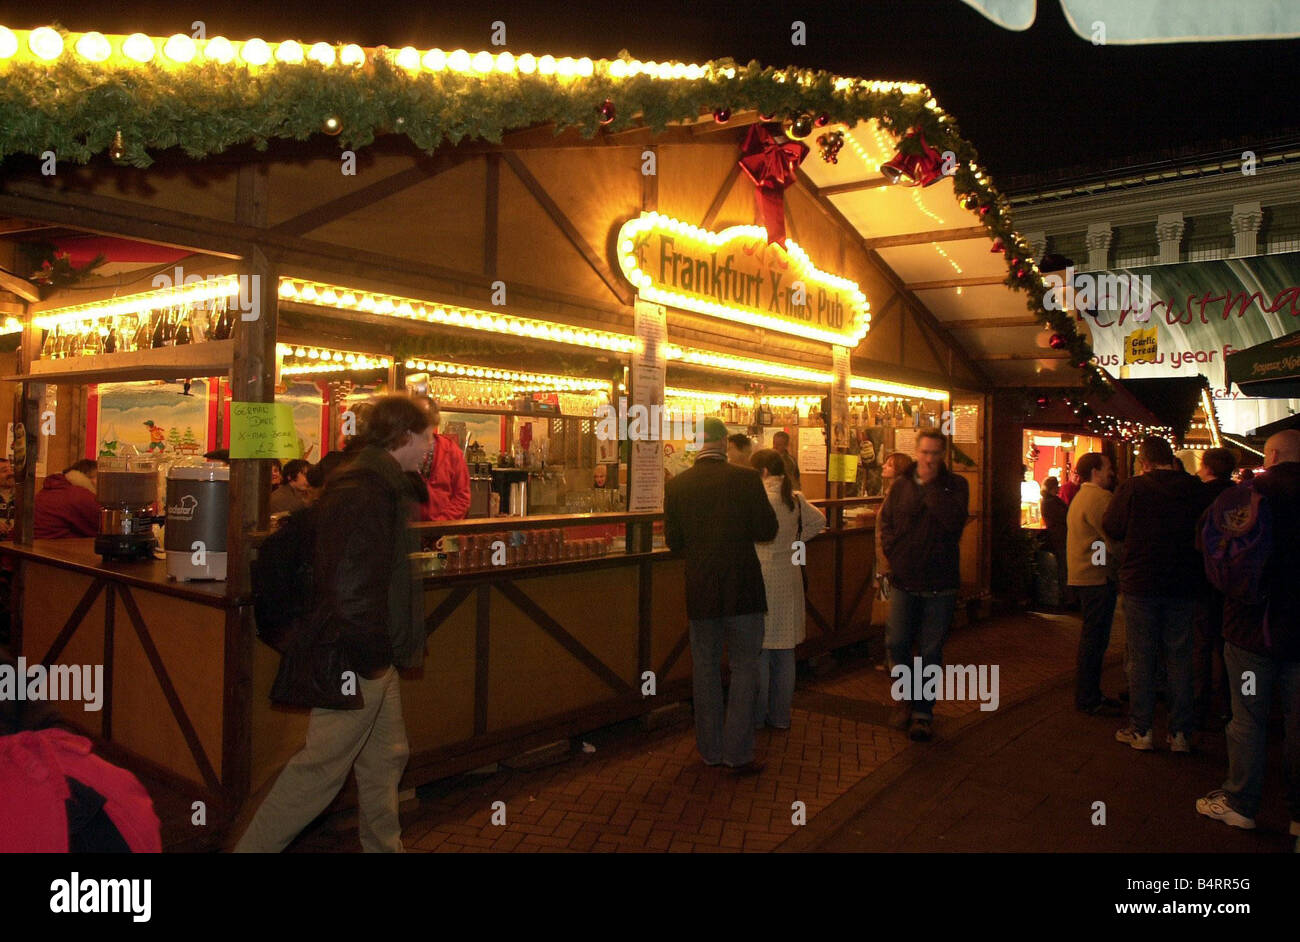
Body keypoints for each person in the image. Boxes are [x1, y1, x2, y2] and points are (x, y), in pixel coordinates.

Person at [235, 395, 435, 853]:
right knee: (320, 771)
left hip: (370, 652)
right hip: (357, 654)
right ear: (404, 437)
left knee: (385, 757)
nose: (431, 447)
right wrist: (371, 660)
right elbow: (349, 587)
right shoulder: (366, 491)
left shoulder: (373, 481)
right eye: (427, 438)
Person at [1197, 430, 1300, 848]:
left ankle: (1241, 803)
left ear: (1271, 454)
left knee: (1248, 719)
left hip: (1249, 632)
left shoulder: (1246, 495)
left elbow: (1208, 550)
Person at [664, 417, 778, 774]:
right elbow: (767, 529)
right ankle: (738, 752)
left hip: (700, 590)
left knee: (706, 670)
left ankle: (710, 750)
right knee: (745, 668)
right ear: (725, 442)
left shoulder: (679, 485)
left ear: (698, 443)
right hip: (743, 588)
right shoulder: (745, 479)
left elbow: (674, 542)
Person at [1103, 436, 1213, 753]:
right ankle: (1180, 733)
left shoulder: (1135, 488)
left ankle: (1142, 729)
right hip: (1184, 583)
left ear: (1145, 461)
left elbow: (1111, 525)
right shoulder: (1195, 490)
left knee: (1142, 656)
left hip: (1141, 581)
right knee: (1180, 657)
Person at [879, 429, 970, 742]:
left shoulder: (955, 485)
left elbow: (955, 522)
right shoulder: (901, 485)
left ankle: (922, 713)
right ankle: (906, 697)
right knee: (897, 643)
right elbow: (887, 522)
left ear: (942, 455)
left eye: (935, 453)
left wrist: (931, 488)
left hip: (940, 582)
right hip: (905, 579)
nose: (929, 458)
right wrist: (895, 554)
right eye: (925, 452)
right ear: (916, 452)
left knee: (931, 651)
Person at [749, 448, 827, 730]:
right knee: (784, 654)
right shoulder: (794, 498)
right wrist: (796, 541)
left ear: (764, 472)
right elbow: (820, 521)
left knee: (761, 651)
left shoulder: (760, 500)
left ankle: (757, 718)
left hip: (763, 577)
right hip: (790, 578)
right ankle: (781, 717)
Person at [1067, 452, 1122, 716]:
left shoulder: (1081, 497)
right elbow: (1113, 536)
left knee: (1093, 638)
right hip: (1096, 576)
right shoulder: (1099, 498)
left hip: (1084, 575)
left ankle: (1090, 694)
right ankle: (1089, 697)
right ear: (1096, 471)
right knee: (1095, 639)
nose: (1111, 472)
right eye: (1108, 467)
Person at [1194, 447, 1238, 730]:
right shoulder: (1243, 497)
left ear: (1207, 467)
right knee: (1229, 644)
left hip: (1202, 579)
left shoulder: (1196, 497)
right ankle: (1230, 703)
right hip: (1235, 582)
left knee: (1201, 643)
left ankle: (1199, 704)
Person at [418, 401, 470, 521]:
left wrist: (442, 522)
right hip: (407, 531)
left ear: (435, 420)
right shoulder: (400, 449)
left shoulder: (450, 450)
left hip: (443, 530)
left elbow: (462, 496)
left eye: (425, 416)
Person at [34, 460, 100, 539]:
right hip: (53, 548)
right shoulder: (79, 496)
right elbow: (106, 530)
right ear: (92, 479)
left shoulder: (50, 490)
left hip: (31, 547)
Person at [1040, 476, 1071, 608]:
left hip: (1059, 537)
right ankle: (1066, 598)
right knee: (1063, 568)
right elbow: (1064, 516)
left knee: (1063, 568)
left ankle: (1065, 597)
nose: (1058, 488)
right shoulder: (1050, 502)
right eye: (1056, 486)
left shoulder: (1048, 501)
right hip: (1060, 538)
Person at [0, 457, 15, 541]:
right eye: (5, 471)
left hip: (16, 548)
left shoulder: (22, 496)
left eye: (11, 469)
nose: (11, 473)